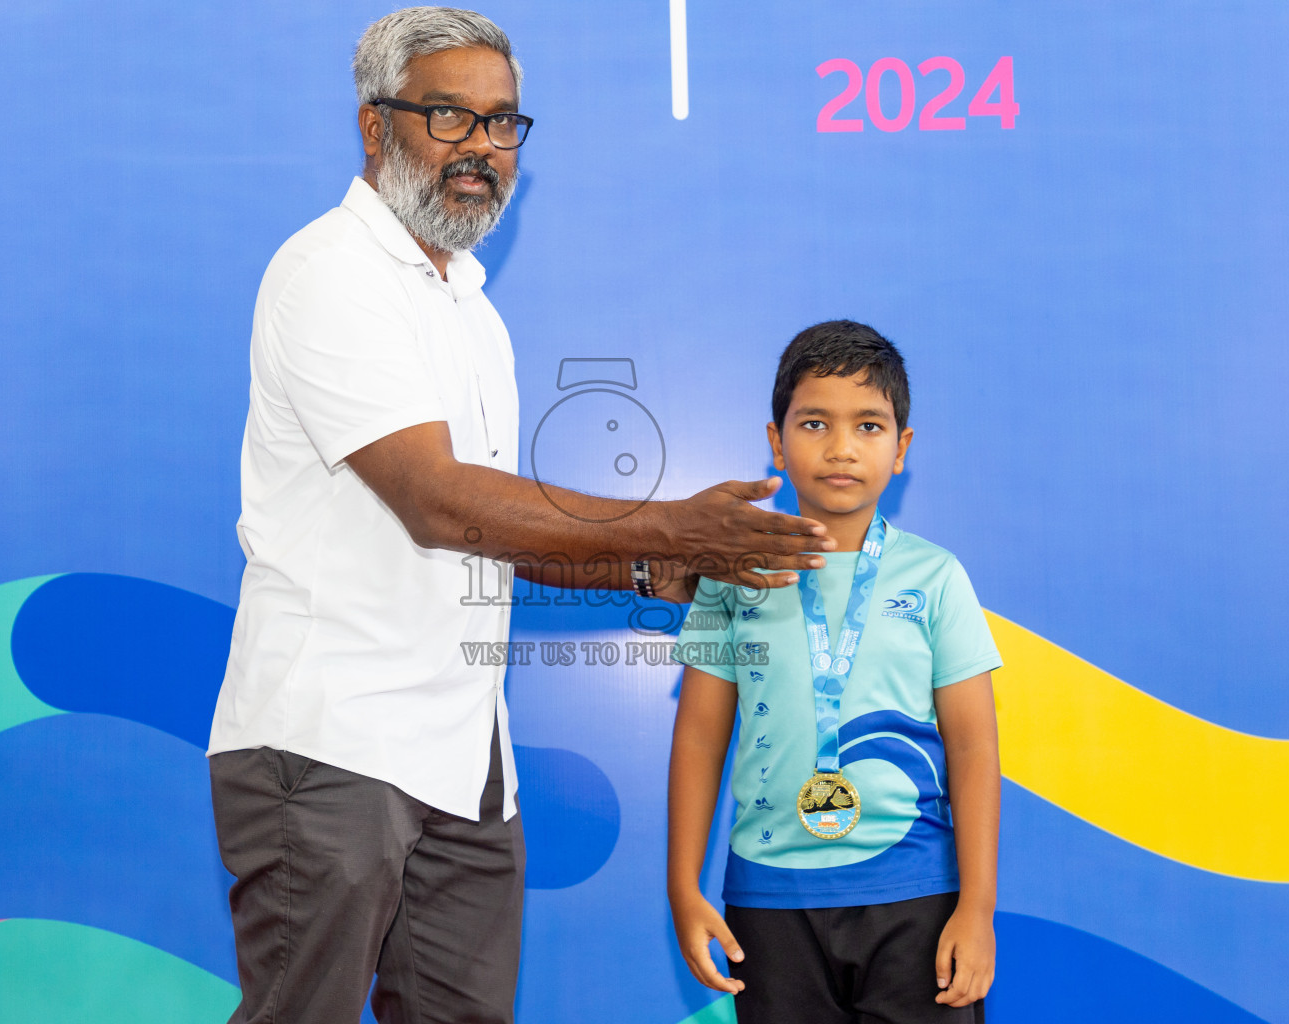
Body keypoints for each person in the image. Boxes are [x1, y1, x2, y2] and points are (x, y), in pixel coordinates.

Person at [205, 8, 834, 1024]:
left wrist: (645, 573)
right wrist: (666, 526)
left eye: (503, 125)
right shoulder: (329, 274)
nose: (483, 149)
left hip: (466, 766)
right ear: (375, 128)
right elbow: (440, 502)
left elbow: (491, 537)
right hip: (329, 749)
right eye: (449, 118)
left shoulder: (474, 312)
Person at [666, 320, 1003, 1023]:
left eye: (870, 426)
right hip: (769, 904)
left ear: (901, 448)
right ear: (776, 442)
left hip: (917, 900)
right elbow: (700, 736)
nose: (842, 448)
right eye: (815, 423)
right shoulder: (735, 576)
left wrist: (976, 907)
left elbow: (973, 747)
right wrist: (683, 887)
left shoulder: (936, 578)